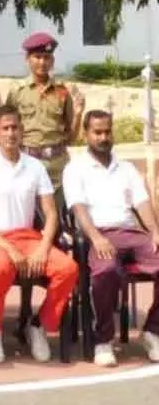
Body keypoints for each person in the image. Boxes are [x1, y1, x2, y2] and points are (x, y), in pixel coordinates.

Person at [0, 104, 78, 363]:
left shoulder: (35, 166)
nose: (10, 133)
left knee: (68, 269)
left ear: (22, 130)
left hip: (30, 238)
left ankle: (38, 325)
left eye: (15, 127)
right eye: (5, 128)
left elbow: (50, 213)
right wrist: (7, 247)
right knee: (0, 269)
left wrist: (42, 248)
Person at [63, 110, 159, 366]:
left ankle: (152, 331)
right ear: (86, 134)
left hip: (131, 233)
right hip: (100, 234)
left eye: (107, 131)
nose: (104, 137)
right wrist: (95, 237)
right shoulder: (75, 169)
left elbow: (142, 202)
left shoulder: (125, 167)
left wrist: (155, 231)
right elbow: (79, 208)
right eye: (97, 132)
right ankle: (103, 340)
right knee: (106, 270)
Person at [7, 32, 85, 208]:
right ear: (28, 59)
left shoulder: (62, 92)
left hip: (57, 164)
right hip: (27, 161)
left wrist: (79, 113)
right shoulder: (17, 91)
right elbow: (8, 129)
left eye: (47, 57)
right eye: (37, 57)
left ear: (53, 61)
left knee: (57, 214)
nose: (42, 62)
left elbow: (71, 138)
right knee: (27, 213)